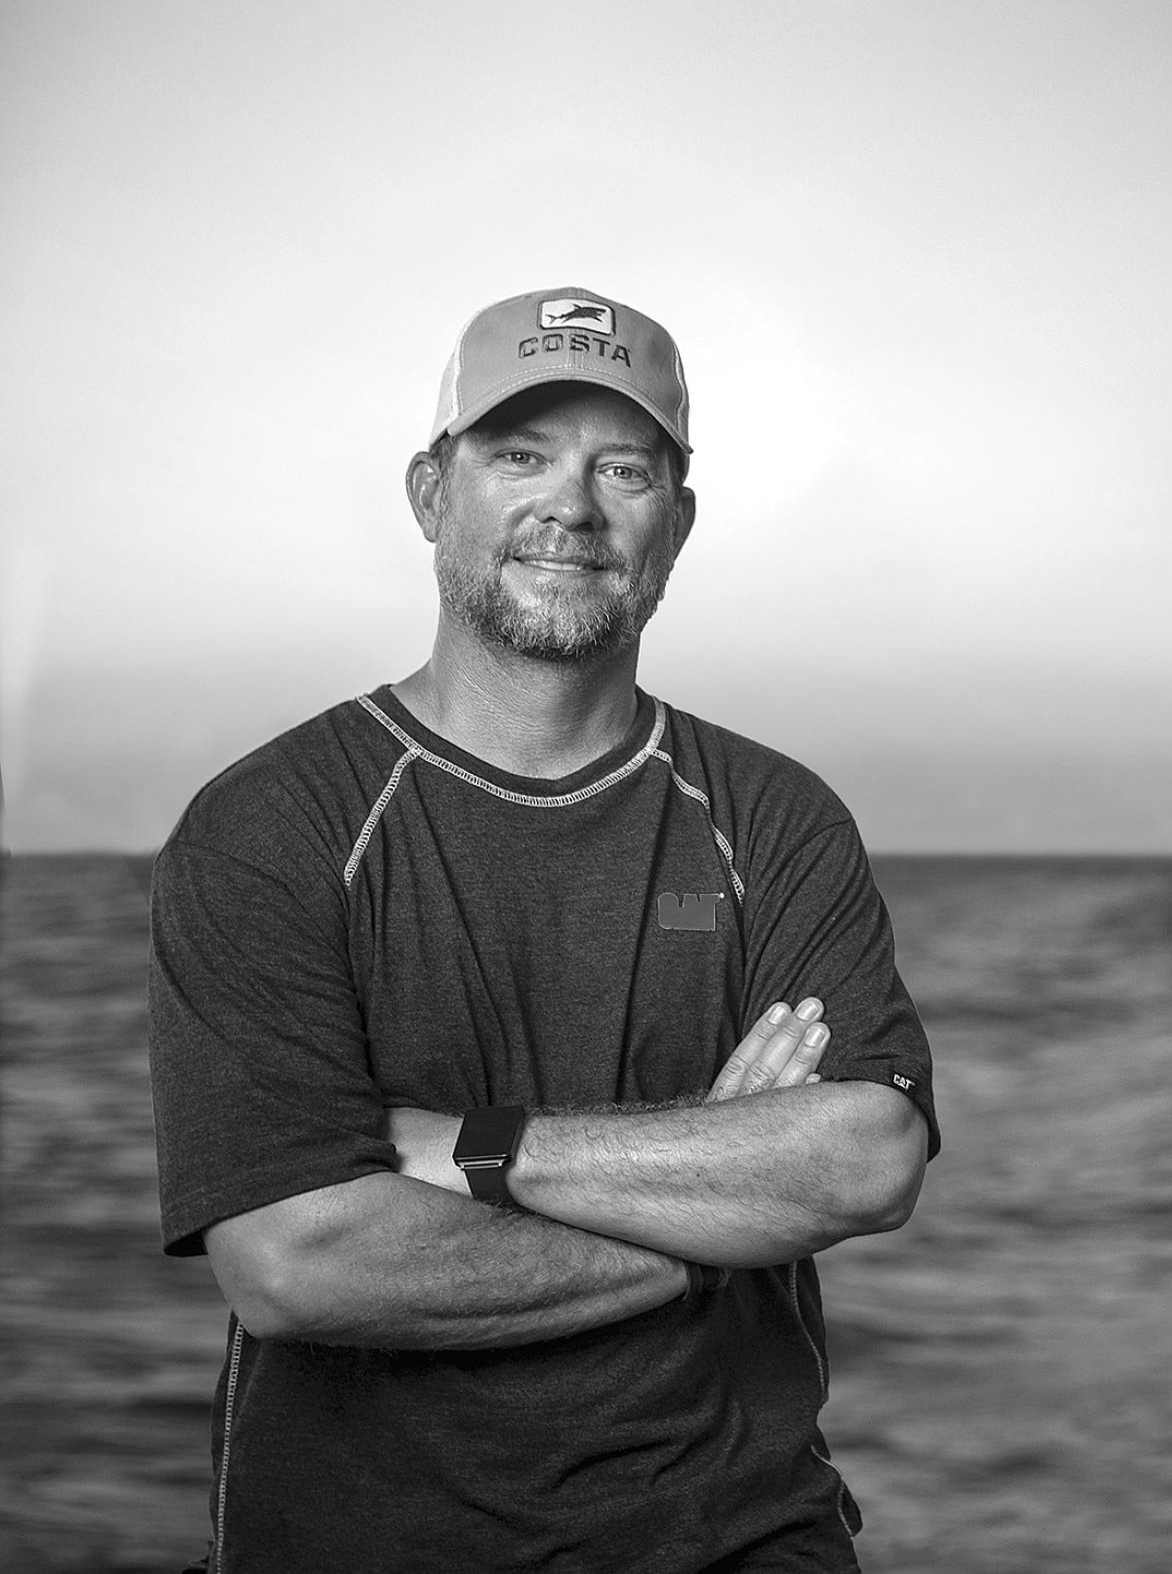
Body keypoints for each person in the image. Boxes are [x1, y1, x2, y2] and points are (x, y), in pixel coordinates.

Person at [148, 285, 941, 1574]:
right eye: (520, 453)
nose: (570, 506)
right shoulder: (271, 826)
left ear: (675, 524)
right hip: (360, 1544)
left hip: (741, 1538)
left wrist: (450, 1150)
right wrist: (712, 1224)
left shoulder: (773, 818)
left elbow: (860, 1163)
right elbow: (299, 1265)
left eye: (623, 467)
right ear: (428, 492)